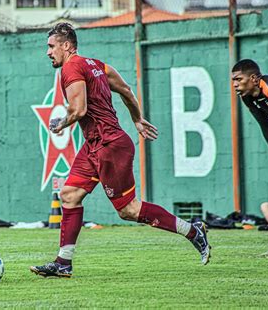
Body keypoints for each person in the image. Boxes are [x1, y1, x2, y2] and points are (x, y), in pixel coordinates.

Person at [30, 23, 211, 278]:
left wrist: (61, 123)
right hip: (95, 144)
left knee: (129, 210)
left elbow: (79, 110)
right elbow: (126, 90)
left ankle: (192, 231)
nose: (48, 52)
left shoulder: (71, 67)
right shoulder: (97, 65)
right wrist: (137, 119)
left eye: (51, 46)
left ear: (67, 46)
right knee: (69, 195)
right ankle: (63, 263)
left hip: (109, 146)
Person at [232, 59, 268, 255]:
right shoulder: (248, 97)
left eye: (239, 79)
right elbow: (267, 127)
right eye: (233, 81)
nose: (235, 84)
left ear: (253, 78)